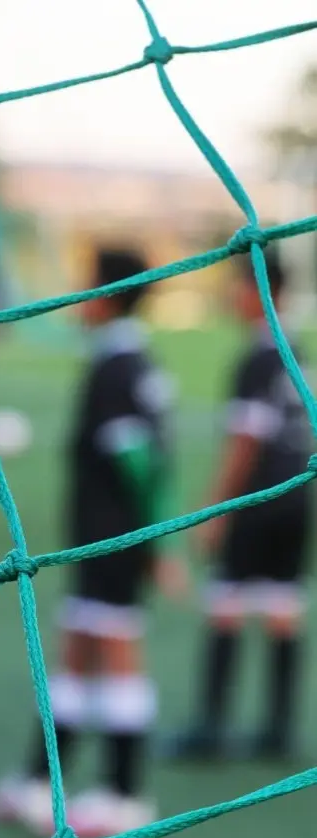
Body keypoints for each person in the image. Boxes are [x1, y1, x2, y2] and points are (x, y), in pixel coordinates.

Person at [0, 247, 185, 838]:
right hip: (101, 537)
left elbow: (141, 460)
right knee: (76, 652)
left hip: (114, 538)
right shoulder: (128, 360)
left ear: (108, 295)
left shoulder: (120, 366)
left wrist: (159, 542)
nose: (80, 295)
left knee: (117, 654)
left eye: (89, 283)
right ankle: (38, 782)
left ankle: (127, 796)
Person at [168, 249, 311, 762]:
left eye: (239, 286)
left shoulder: (257, 358)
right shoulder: (294, 349)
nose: (233, 296)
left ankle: (211, 728)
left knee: (226, 601)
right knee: (282, 605)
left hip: (259, 498)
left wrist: (216, 509)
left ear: (261, 292)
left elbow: (246, 442)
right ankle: (277, 729)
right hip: (296, 495)